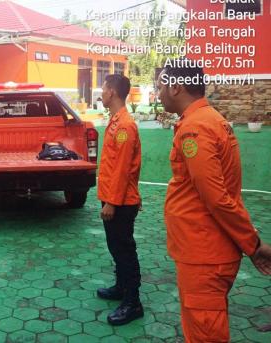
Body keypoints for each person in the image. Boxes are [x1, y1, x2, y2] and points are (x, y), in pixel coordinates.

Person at [158, 63, 271, 342]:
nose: (158, 94)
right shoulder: (209, 119)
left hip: (204, 254)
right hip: (204, 249)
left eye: (159, 87)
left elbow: (217, 199)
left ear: (175, 86)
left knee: (205, 335)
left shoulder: (196, 128)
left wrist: (253, 244)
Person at [96, 74, 144, 325]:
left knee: (124, 250)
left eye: (103, 89)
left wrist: (111, 202)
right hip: (116, 197)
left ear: (112, 92)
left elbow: (123, 169)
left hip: (120, 202)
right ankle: (121, 288)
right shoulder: (116, 121)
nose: (100, 93)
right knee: (116, 247)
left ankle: (133, 302)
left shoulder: (125, 126)